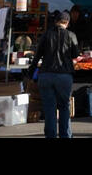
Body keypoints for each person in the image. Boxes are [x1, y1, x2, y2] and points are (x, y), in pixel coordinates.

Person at [31, 9, 78, 138]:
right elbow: (75, 54)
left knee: (49, 108)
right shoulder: (71, 35)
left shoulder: (46, 35)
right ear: (67, 23)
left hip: (46, 74)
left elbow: (37, 56)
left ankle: (50, 135)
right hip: (64, 75)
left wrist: (30, 73)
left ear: (56, 22)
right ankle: (65, 135)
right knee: (64, 106)